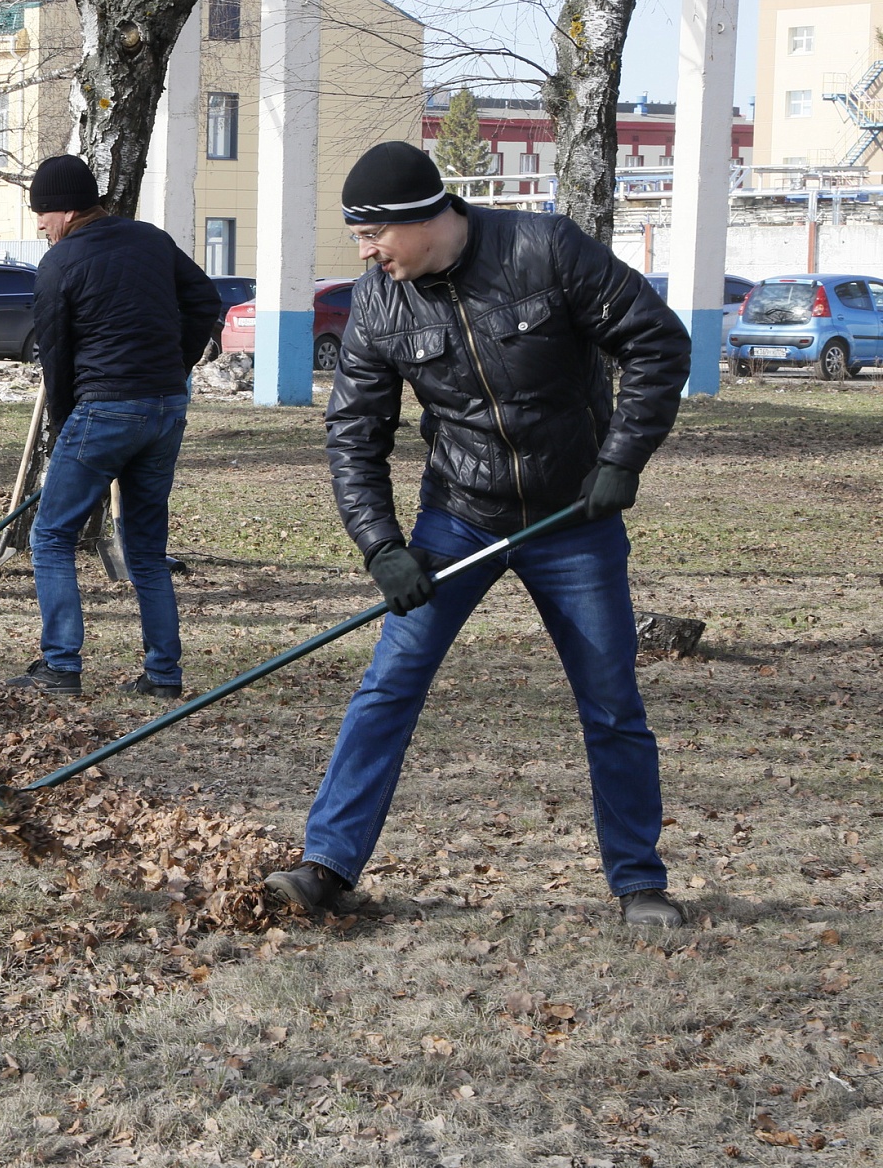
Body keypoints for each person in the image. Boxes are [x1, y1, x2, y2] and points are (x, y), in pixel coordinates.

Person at [263, 140, 693, 929]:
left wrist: (622, 460)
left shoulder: (545, 249)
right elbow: (354, 432)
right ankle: (327, 865)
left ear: (423, 219)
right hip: (458, 515)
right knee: (389, 686)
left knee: (611, 701)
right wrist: (383, 546)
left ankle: (639, 883)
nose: (365, 252)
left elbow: (657, 342)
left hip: (575, 519)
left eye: (372, 235)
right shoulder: (378, 303)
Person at [5, 155, 221, 699]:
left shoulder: (60, 263)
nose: (39, 225)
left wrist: (62, 422)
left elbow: (55, 353)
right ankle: (163, 675)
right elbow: (204, 299)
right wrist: (177, 364)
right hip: (165, 408)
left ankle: (60, 666)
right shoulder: (151, 239)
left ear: (69, 209)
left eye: (43, 213)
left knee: (51, 535)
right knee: (145, 548)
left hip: (104, 409)